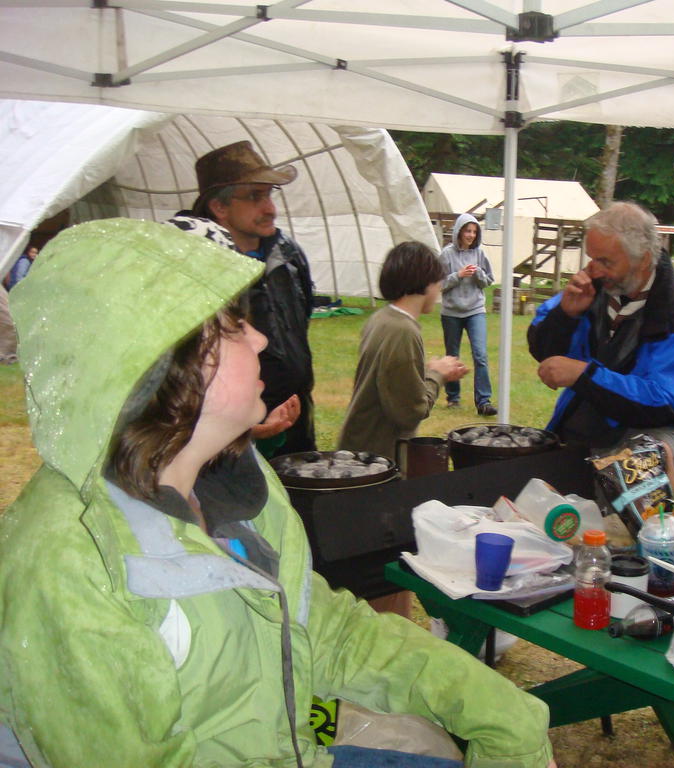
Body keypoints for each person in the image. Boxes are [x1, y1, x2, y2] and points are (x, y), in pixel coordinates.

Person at [0, 219, 555, 768]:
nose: (261, 338)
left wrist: (496, 708)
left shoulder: (235, 487)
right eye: (233, 327)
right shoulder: (68, 563)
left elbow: (326, 631)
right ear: (158, 362)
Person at [527, 201, 674, 486]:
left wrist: (585, 375)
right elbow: (544, 351)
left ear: (644, 259)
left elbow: (665, 405)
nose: (593, 269)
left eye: (606, 261)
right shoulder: (593, 288)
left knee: (643, 460)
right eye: (591, 258)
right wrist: (565, 315)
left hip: (661, 430)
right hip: (590, 420)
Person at [189, 140, 316, 457]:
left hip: (296, 414)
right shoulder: (199, 267)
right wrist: (241, 429)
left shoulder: (287, 255)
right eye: (255, 196)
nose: (270, 208)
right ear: (219, 207)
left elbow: (301, 323)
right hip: (231, 436)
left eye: (270, 194)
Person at [339, 241, 467, 461]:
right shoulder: (403, 331)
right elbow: (410, 411)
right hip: (376, 458)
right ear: (425, 282)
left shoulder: (382, 319)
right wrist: (437, 375)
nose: (439, 290)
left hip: (360, 446)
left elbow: (392, 379)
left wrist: (429, 370)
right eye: (438, 282)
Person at [438, 214, 497, 416]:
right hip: (451, 312)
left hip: (475, 310)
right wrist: (458, 275)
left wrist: (478, 273)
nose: (471, 235)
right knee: (452, 355)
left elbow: (488, 281)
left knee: (480, 354)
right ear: (459, 231)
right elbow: (438, 284)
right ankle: (453, 398)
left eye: (474, 231)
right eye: (467, 231)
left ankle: (484, 401)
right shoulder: (446, 254)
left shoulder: (480, 253)